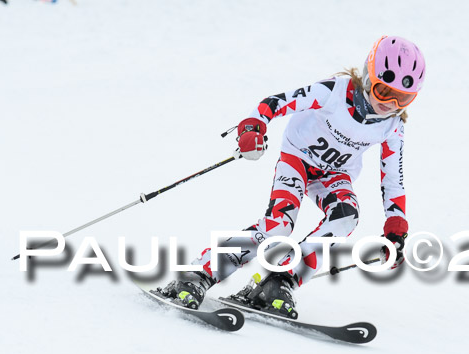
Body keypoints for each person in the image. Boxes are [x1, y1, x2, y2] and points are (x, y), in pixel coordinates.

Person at [160, 35, 426, 318]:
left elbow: (392, 180)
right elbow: (275, 103)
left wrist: (396, 226)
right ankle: (197, 274)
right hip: (297, 160)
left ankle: (279, 281)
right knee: (278, 227)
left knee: (347, 216)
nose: (391, 104)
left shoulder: (393, 126)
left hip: (334, 175)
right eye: (384, 91)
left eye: (404, 98)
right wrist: (254, 127)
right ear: (367, 75)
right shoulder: (334, 92)